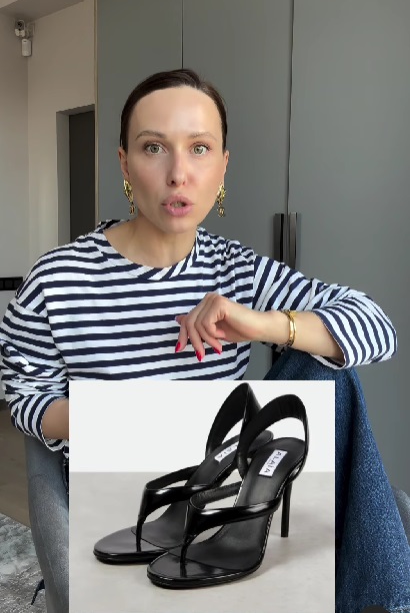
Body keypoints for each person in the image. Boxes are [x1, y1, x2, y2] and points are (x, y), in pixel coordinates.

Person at [0, 69, 407, 613]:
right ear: (124, 163)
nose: (178, 174)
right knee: (371, 509)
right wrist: (118, 417)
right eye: (153, 148)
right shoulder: (56, 279)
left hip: (218, 477)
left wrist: (263, 325)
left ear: (223, 166)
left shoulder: (236, 270)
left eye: (199, 148)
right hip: (124, 484)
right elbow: (25, 396)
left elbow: (377, 327)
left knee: (327, 370)